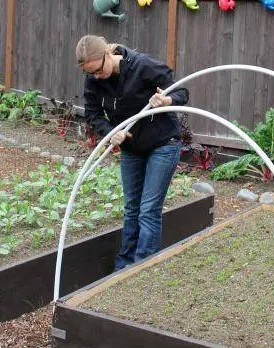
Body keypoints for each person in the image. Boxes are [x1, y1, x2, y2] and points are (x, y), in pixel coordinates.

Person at [75, 35, 189, 270]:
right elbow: (92, 114)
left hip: (163, 143)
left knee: (148, 210)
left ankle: (141, 270)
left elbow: (183, 92)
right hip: (131, 148)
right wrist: (110, 132)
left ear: (108, 54)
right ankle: (124, 266)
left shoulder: (142, 66)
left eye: (98, 70)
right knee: (132, 209)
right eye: (91, 73)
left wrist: (166, 99)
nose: (96, 76)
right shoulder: (93, 80)